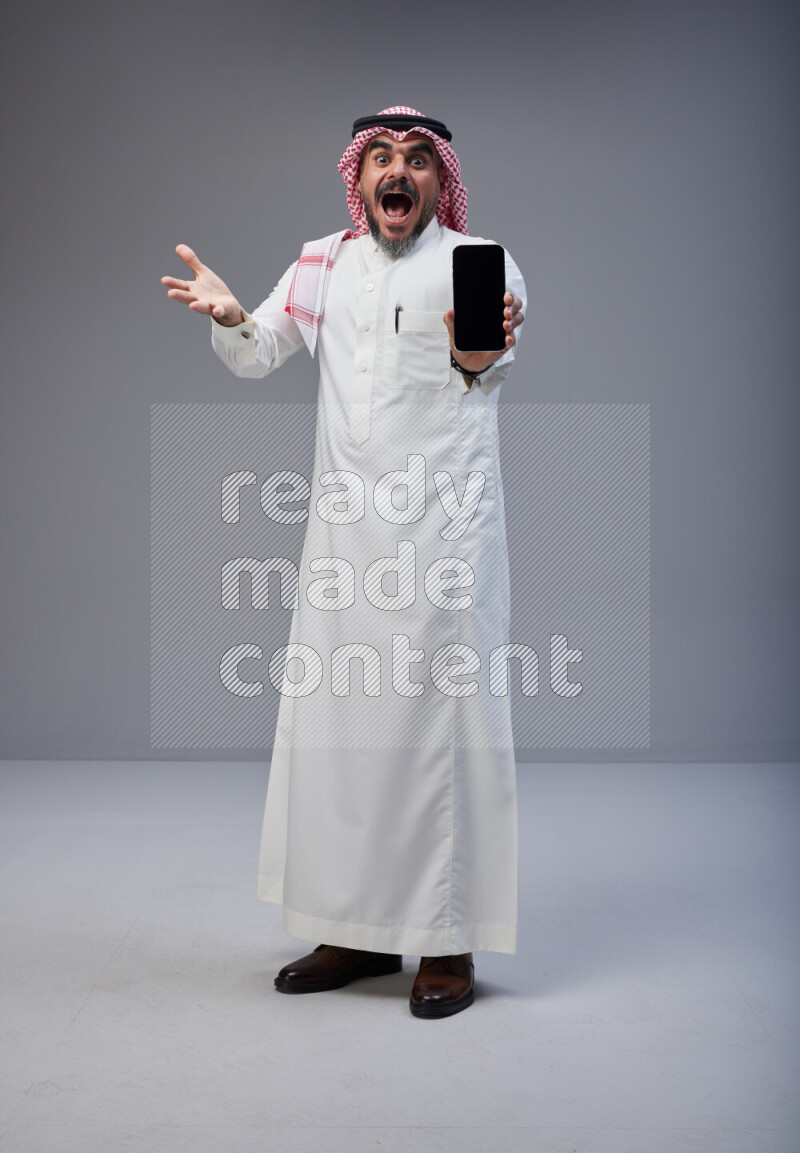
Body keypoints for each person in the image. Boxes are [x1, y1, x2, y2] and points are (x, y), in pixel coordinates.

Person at [162, 106, 526, 1018]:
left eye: (415, 161)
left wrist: (477, 351)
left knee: (442, 733)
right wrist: (232, 312)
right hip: (343, 540)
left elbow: (487, 362)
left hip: (443, 542)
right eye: (380, 160)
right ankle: (356, 929)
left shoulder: (480, 262)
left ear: (440, 181)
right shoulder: (322, 261)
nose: (396, 174)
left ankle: (446, 940)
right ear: (358, 179)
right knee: (343, 731)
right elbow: (260, 354)